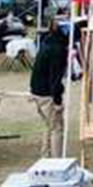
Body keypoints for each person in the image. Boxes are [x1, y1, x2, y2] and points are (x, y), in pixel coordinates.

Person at [28, 17, 67, 157]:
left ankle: (45, 156)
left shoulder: (48, 42)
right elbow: (55, 77)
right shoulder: (58, 49)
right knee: (57, 128)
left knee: (49, 125)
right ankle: (57, 160)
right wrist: (57, 101)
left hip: (38, 90)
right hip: (46, 93)